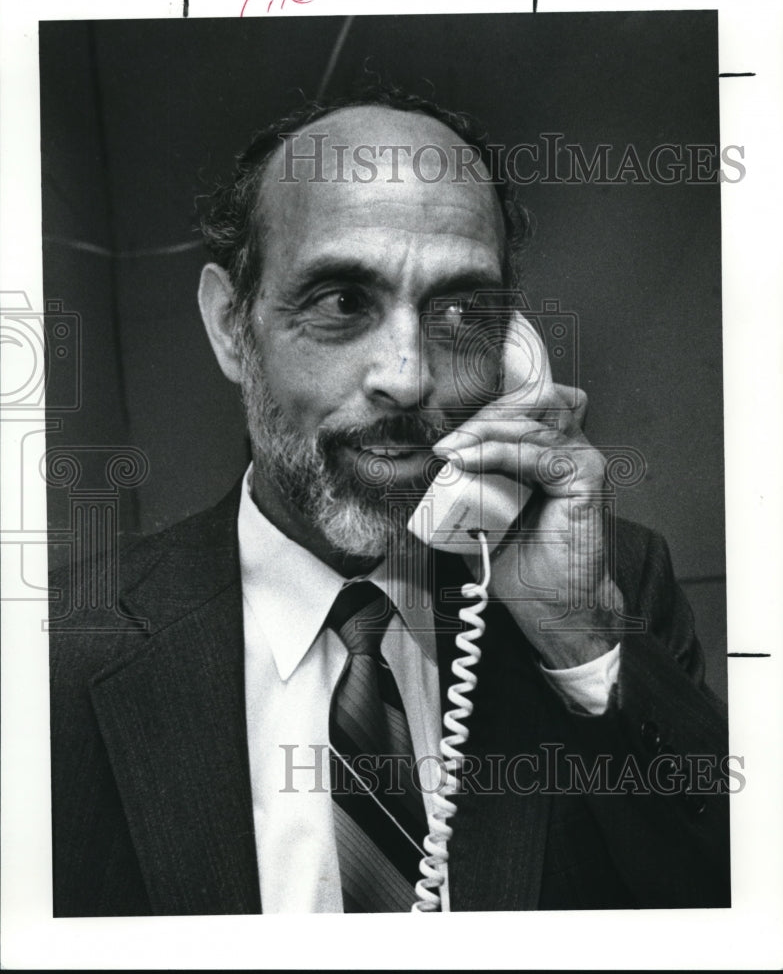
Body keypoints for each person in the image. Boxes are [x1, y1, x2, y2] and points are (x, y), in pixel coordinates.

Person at [49, 85, 730, 916]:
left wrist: (575, 638)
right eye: (342, 302)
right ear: (232, 326)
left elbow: (735, 903)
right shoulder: (56, 650)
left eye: (461, 311)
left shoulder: (614, 587)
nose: (407, 377)